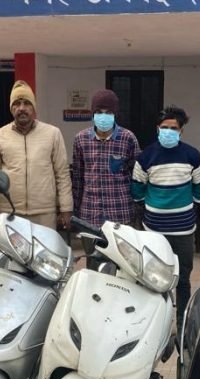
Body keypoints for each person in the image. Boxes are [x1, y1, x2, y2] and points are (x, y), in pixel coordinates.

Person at [131, 105, 200, 332]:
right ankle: (155, 325)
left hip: (183, 231)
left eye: (174, 128)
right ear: (157, 128)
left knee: (183, 279)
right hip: (154, 230)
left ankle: (182, 324)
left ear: (181, 131)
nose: (169, 131)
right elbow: (137, 189)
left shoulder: (192, 155)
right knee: (153, 279)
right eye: (165, 127)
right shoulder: (146, 156)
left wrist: (187, 206)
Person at [0, 80, 73, 230]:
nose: (21, 108)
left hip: (44, 214)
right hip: (10, 214)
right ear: (11, 108)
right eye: (16, 104)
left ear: (34, 107)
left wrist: (66, 208)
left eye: (27, 103)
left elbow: (62, 174)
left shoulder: (52, 134)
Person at [72, 89, 140, 269]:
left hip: (120, 214)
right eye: (99, 112)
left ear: (115, 113)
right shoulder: (81, 140)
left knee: (122, 266)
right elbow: (78, 178)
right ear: (93, 114)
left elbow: (137, 177)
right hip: (90, 214)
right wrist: (76, 212)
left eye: (108, 112)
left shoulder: (127, 138)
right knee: (93, 265)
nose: (103, 116)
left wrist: (136, 211)